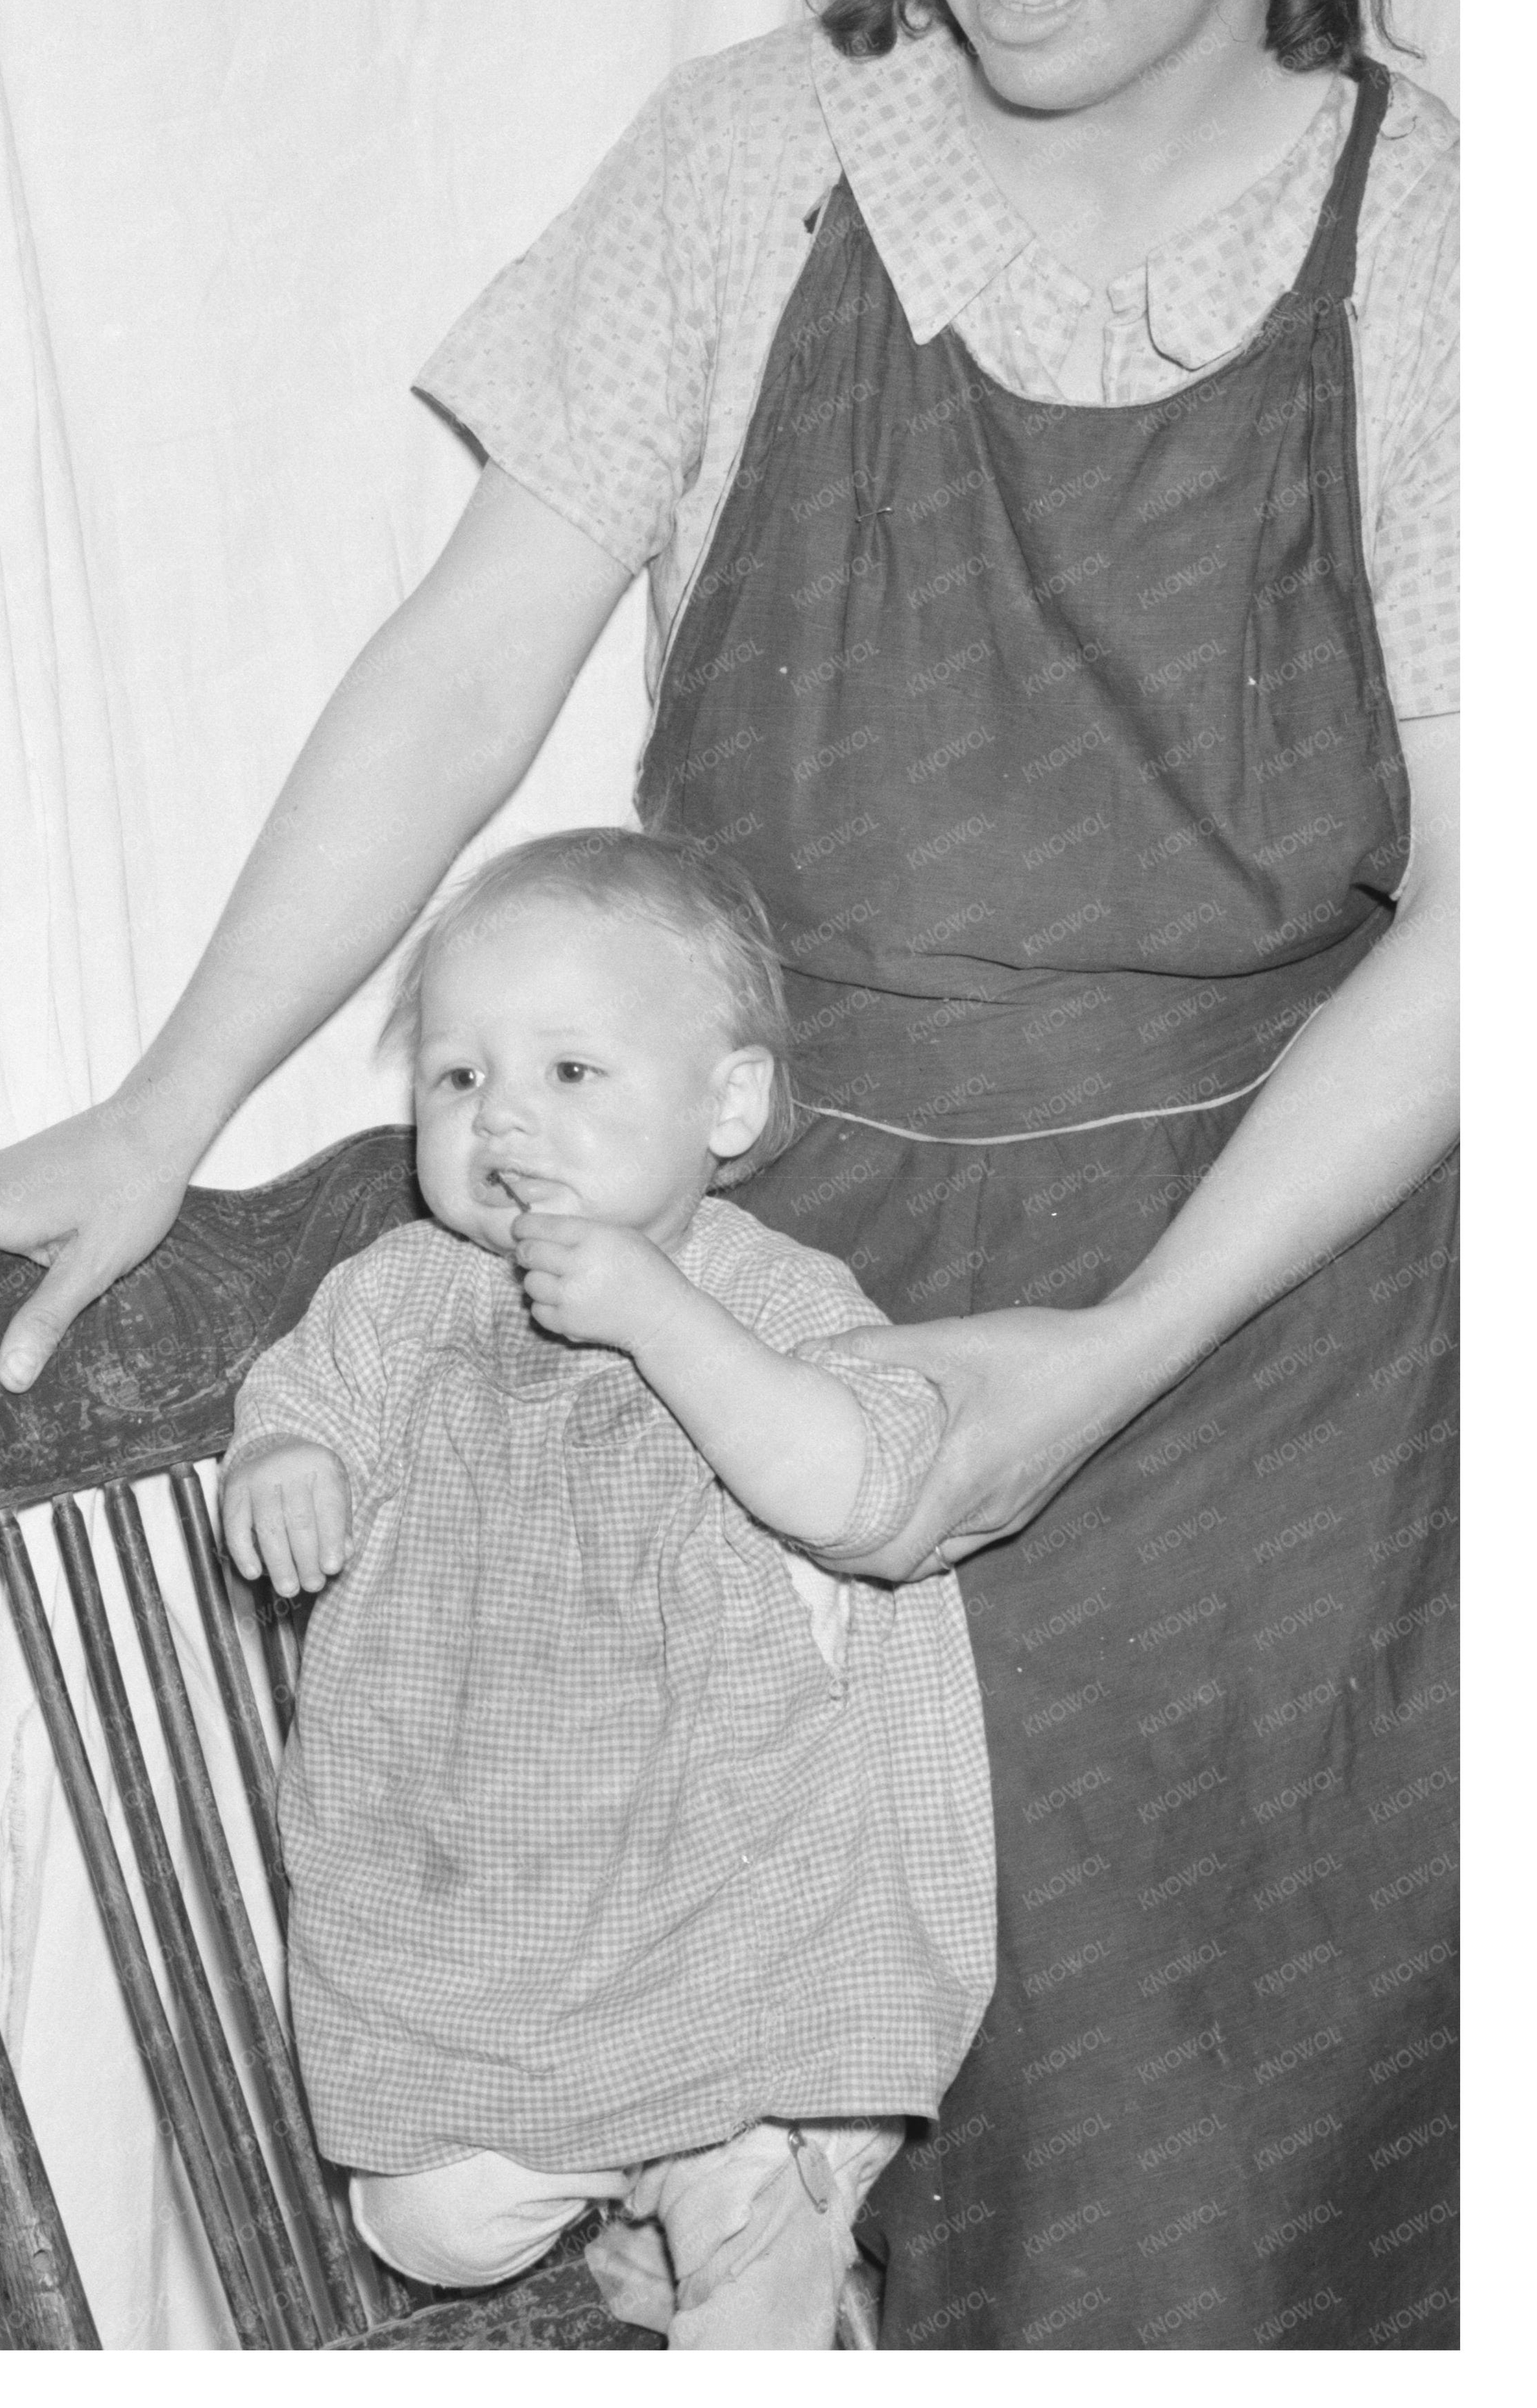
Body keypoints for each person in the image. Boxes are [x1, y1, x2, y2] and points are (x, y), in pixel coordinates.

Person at [0, 0, 1452, 2346]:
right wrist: (161, 1109)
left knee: (1197, 2155)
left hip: (1260, 1335)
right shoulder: (760, 167)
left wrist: (1107, 1366)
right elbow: (469, 661)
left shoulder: (1443, 248)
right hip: (750, 1280)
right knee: (676, 2070)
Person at [218, 830, 991, 2346]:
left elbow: (850, 1485)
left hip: (723, 1885)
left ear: (729, 1102)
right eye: (458, 1077)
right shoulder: (398, 1298)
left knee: (769, 2139)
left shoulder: (770, 1294)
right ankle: (656, 2178)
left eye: (570, 1073)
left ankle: (740, 2194)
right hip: (485, 1904)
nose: (502, 1115)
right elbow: (302, 1398)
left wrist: (657, 1314)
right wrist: (283, 1465)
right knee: (419, 2220)